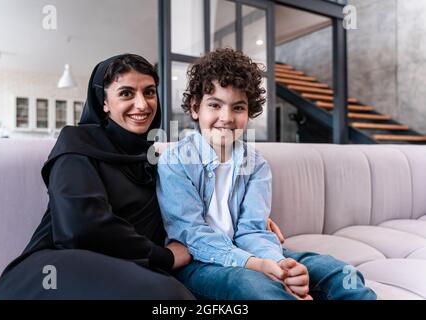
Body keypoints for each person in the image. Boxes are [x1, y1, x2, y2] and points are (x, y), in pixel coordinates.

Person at [156, 48, 377, 300]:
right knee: (256, 287)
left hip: (254, 253)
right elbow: (193, 237)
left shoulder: (256, 164)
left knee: (340, 272)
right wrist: (260, 267)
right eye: (215, 105)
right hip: (201, 263)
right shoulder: (175, 161)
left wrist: (281, 268)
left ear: (249, 112)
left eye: (238, 107)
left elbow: (252, 230)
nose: (226, 118)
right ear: (196, 108)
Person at [0, 54, 194, 300]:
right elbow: (80, 226)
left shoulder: (156, 161)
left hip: (127, 268)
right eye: (126, 93)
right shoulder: (76, 143)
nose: (142, 104)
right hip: (54, 268)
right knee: (168, 295)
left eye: (149, 92)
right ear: (104, 102)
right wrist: (165, 256)